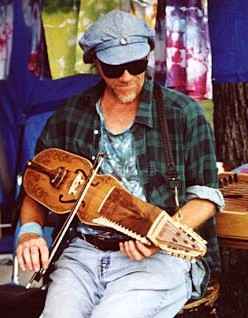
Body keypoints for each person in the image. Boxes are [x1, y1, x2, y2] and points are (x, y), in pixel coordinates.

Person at [16, 10, 224, 318]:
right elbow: (38, 182)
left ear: (148, 58)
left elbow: (206, 196)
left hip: (157, 258)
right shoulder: (71, 115)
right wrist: (30, 231)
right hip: (83, 254)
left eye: (135, 64)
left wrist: (160, 235)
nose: (126, 76)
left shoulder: (182, 113)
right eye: (115, 67)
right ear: (96, 64)